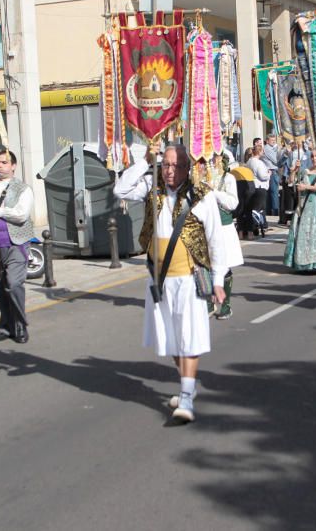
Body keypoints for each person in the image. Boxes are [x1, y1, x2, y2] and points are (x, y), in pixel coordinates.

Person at [113, 144, 228, 424]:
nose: (170, 171)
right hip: (159, 279)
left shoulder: (202, 197)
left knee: (189, 337)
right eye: (165, 165)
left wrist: (219, 280)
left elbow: (215, 240)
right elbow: (121, 190)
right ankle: (188, 385)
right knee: (172, 339)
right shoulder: (154, 191)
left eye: (176, 166)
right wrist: (145, 161)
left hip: (190, 277)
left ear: (187, 168)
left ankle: (186, 397)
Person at [0, 150, 35, 344]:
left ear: (13, 166)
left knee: (13, 284)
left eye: (4, 162)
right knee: (0, 288)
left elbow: (21, 214)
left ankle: (20, 324)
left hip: (16, 243)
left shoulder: (23, 188)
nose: (0, 165)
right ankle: (6, 327)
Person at [200, 153, 243, 320]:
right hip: (204, 226)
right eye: (210, 158)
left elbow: (233, 203)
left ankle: (225, 305)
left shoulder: (228, 178)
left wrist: (214, 193)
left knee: (224, 266)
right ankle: (208, 303)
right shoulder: (201, 175)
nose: (213, 161)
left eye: (216, 157)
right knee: (203, 266)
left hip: (223, 227)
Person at [245, 145, 270, 237]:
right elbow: (262, 176)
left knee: (254, 208)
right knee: (258, 209)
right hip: (259, 186)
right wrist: (268, 174)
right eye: (262, 151)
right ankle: (256, 226)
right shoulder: (258, 162)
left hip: (252, 186)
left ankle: (256, 227)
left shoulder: (249, 161)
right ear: (259, 152)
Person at [261, 133, 282, 218]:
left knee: (271, 192)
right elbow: (276, 160)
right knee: (274, 192)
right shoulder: (267, 149)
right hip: (272, 171)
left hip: (272, 171)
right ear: (267, 141)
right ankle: (275, 211)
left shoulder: (272, 148)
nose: (274, 142)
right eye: (272, 140)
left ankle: (270, 210)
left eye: (274, 140)